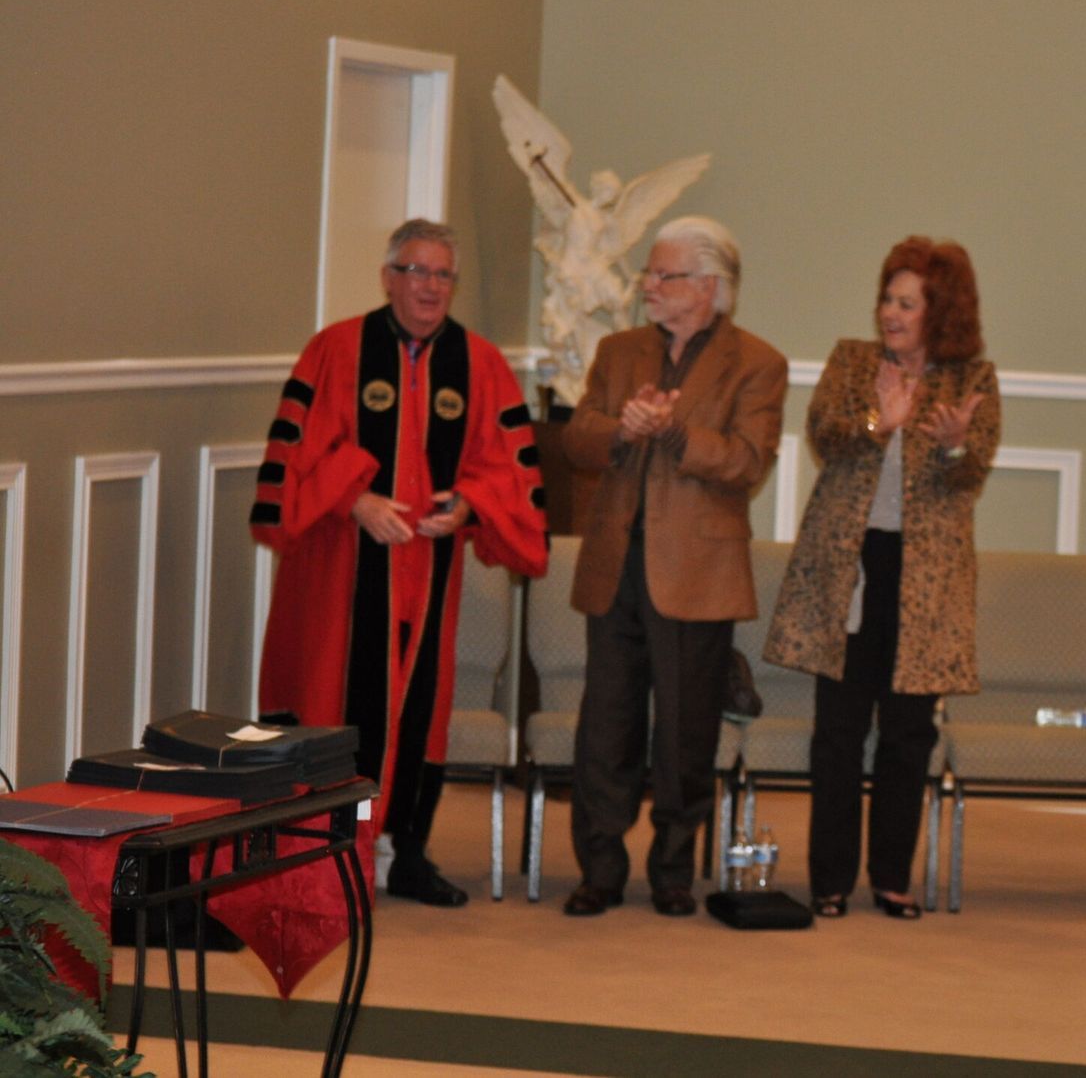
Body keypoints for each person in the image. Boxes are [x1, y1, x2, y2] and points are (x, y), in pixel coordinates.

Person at [252, 219, 549, 908]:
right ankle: (334, 850)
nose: (431, 286)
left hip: (429, 568)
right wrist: (354, 498)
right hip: (344, 570)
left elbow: (506, 466)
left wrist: (469, 502)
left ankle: (408, 850)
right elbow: (296, 457)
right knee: (341, 697)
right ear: (388, 276)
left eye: (444, 274)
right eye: (417, 271)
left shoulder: (479, 362)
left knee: (421, 703)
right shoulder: (336, 351)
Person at [763, 238, 1001, 920]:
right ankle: (831, 879)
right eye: (886, 298)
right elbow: (824, 436)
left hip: (926, 578)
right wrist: (880, 421)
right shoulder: (851, 362)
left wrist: (954, 439)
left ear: (940, 310)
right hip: (850, 567)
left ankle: (892, 876)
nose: (889, 312)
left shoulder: (970, 378)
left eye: (906, 301)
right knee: (837, 729)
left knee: (906, 734)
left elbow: (972, 470)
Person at [560, 216, 787, 918]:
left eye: (664, 275)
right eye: (650, 274)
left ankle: (672, 870)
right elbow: (577, 438)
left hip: (698, 572)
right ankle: (600, 866)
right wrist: (622, 430)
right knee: (606, 726)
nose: (648, 286)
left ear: (710, 287)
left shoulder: (757, 362)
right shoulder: (618, 350)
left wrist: (676, 431)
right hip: (616, 565)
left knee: (686, 732)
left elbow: (747, 460)